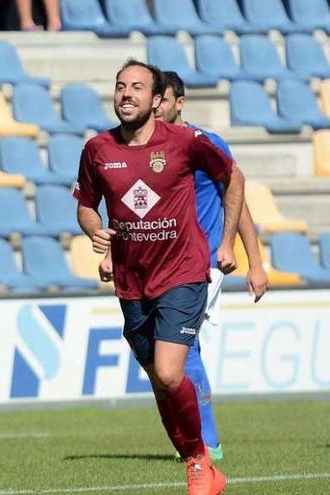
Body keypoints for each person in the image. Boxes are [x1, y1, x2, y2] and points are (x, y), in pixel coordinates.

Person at [74, 60, 244, 495]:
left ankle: (200, 463)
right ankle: (198, 462)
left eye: (136, 88)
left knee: (170, 373)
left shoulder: (187, 142)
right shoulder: (98, 150)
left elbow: (234, 178)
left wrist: (226, 243)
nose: (126, 94)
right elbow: (87, 205)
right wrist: (97, 233)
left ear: (156, 101)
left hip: (183, 272)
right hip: (132, 282)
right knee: (158, 381)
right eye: (119, 87)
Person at [151, 71, 268, 461]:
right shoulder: (149, 149)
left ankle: (208, 444)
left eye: (162, 100)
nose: (156, 107)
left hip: (205, 263)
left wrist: (251, 260)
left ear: (179, 103)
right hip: (163, 263)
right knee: (168, 353)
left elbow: (239, 196)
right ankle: (196, 439)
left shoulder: (204, 144)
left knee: (186, 348)